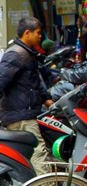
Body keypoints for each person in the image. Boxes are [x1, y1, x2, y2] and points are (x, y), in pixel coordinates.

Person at [0, 17, 54, 174]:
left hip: (24, 111)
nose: (40, 36)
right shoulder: (16, 55)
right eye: (38, 33)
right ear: (27, 33)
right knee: (38, 152)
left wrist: (46, 99)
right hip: (20, 115)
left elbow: (33, 82)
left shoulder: (26, 54)